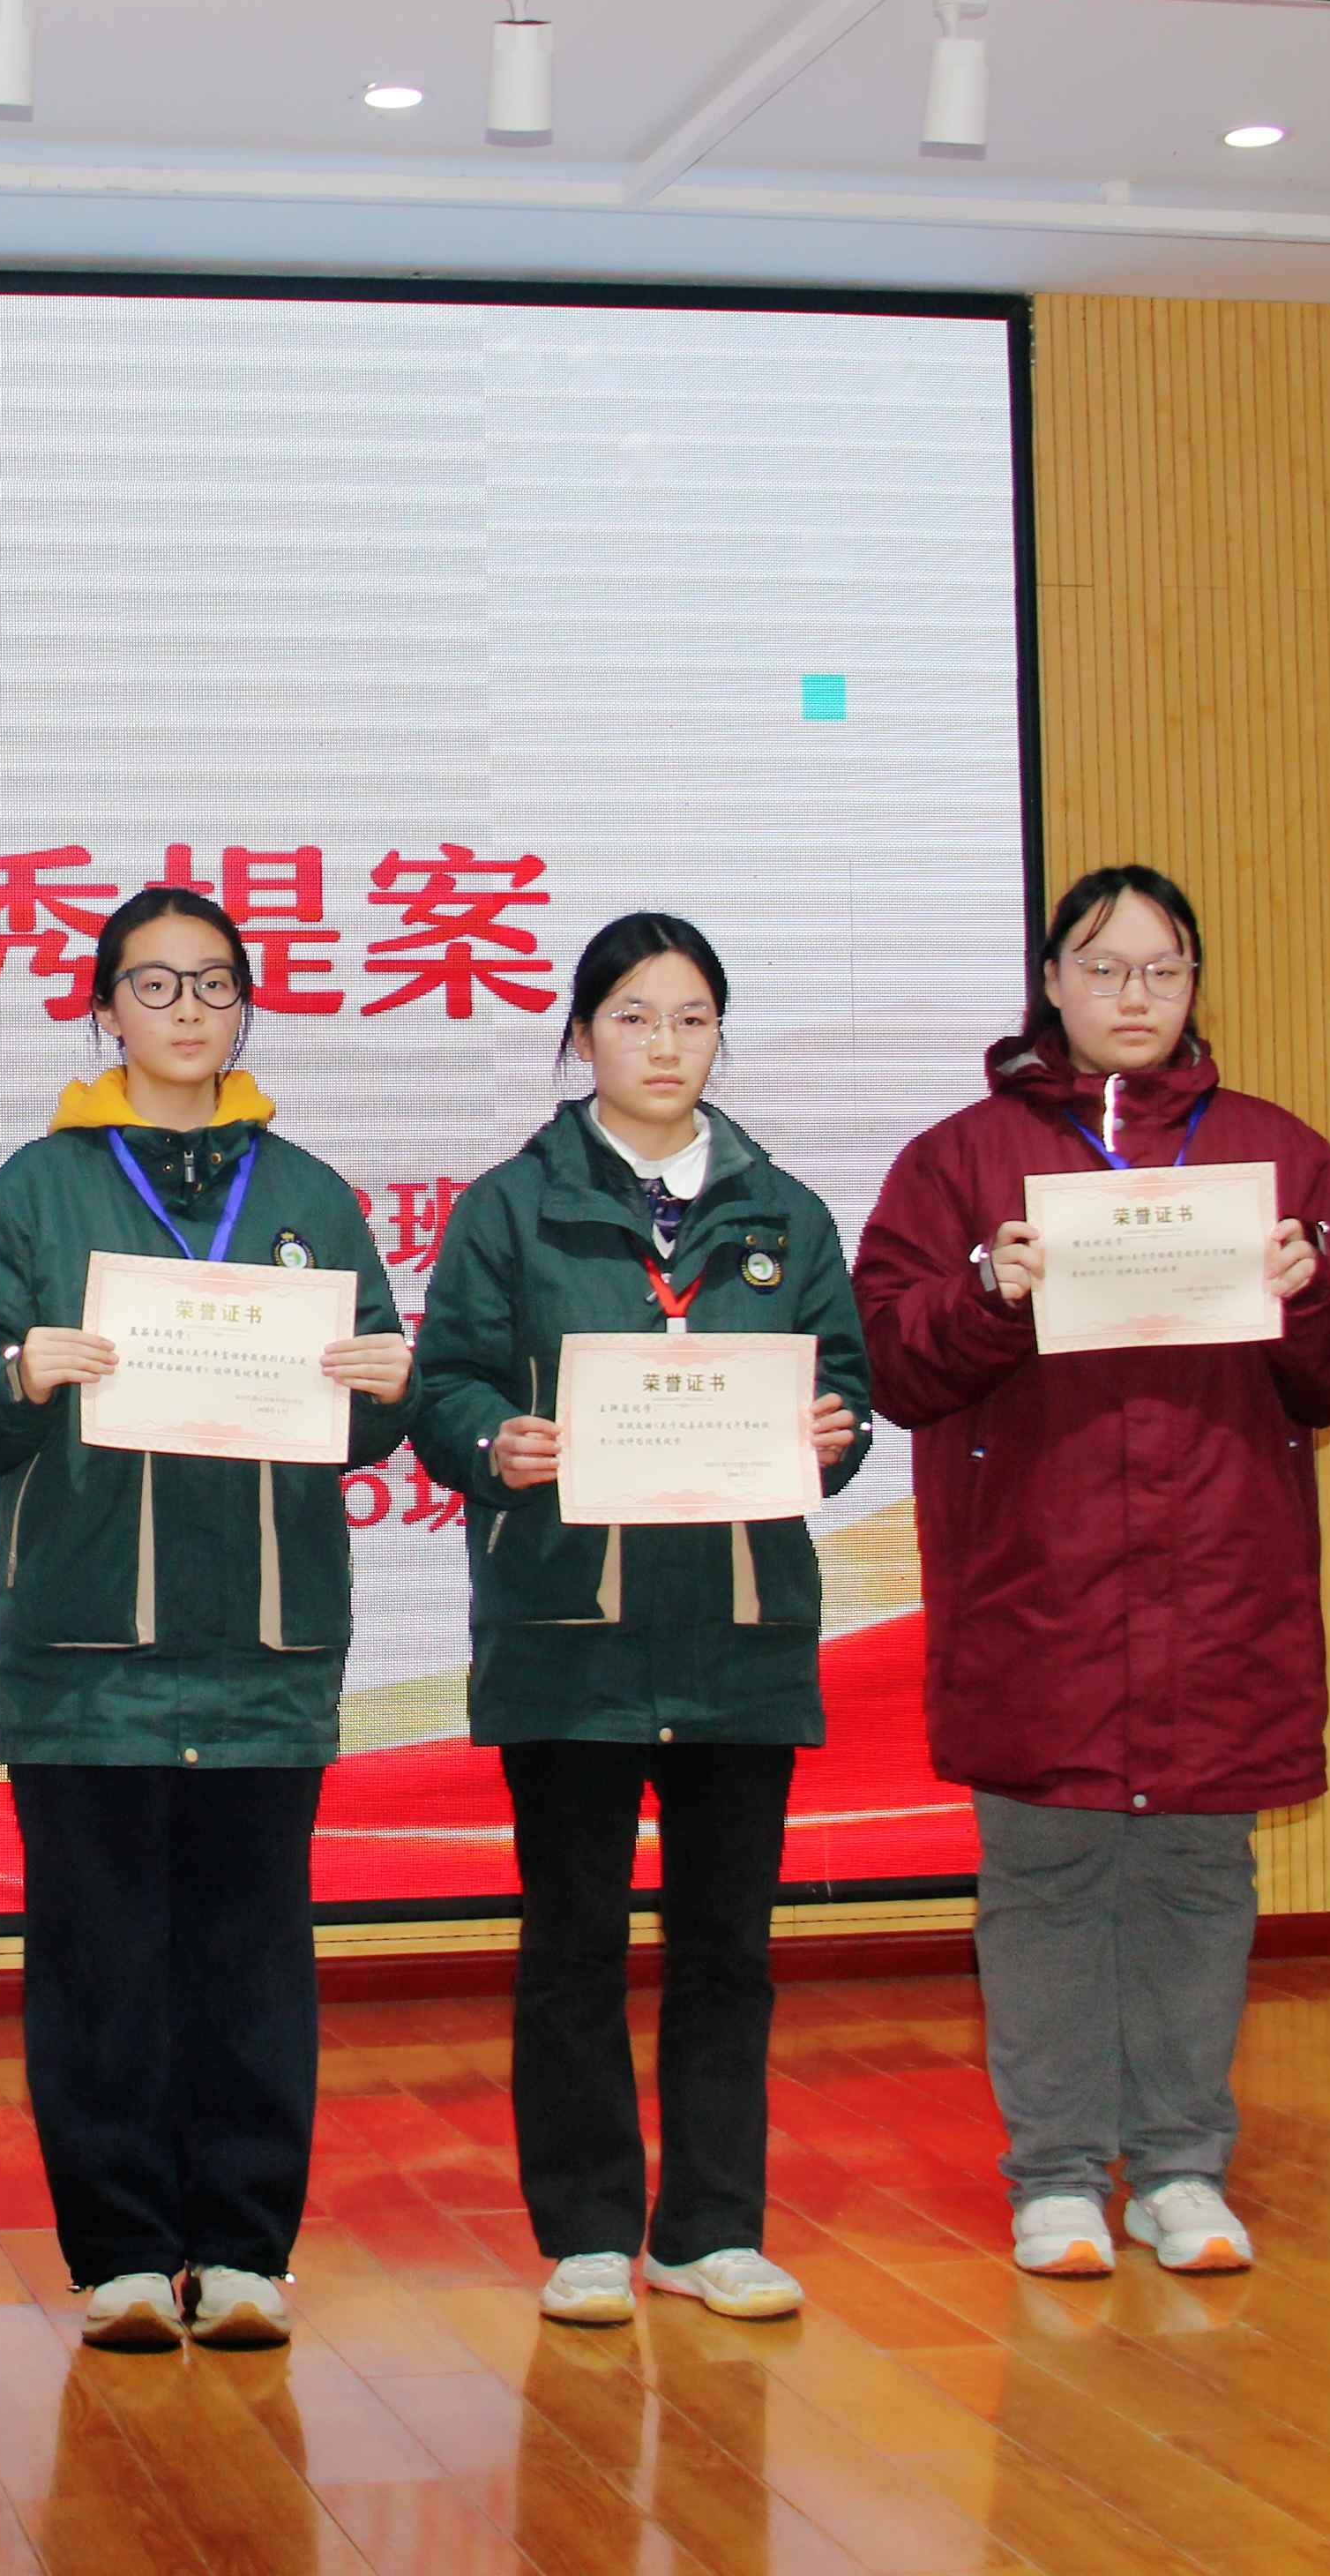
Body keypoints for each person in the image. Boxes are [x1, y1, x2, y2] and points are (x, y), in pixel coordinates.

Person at [851, 866, 1330, 2281]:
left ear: (1196, 984)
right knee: (1045, 1879)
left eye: (1163, 969)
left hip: (1223, 1588)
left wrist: (1311, 1290)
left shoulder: (1276, 1154)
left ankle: (1180, 2167)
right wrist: (988, 1291)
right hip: (1039, 1589)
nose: (1134, 996)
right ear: (1051, 984)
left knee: (1199, 1879)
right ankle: (1051, 2175)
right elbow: (892, 1361)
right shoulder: (960, 1161)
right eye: (1103, 969)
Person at [0, 885, 415, 2353]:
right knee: (100, 1963)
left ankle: (247, 2249)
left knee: (252, 1958)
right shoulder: (34, 1192)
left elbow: (372, 1411)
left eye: (214, 984)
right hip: (86, 1649)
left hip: (263, 1643)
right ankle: (126, 2254)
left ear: (246, 1008)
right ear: (103, 1009)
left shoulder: (310, 1196)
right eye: (155, 984)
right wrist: (20, 1375)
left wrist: (384, 1388)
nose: (188, 1011)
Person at [412, 912, 875, 2330]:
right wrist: (495, 1440)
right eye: (632, 1016)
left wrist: (835, 1431)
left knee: (730, 1947)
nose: (664, 1045)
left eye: (691, 1019)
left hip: (739, 1630)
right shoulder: (511, 1207)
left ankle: (713, 2227)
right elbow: (445, 1386)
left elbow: (846, 1392)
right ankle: (591, 2231)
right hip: (573, 1631)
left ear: (720, 1036)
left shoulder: (785, 1214)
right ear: (581, 1036)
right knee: (574, 1944)